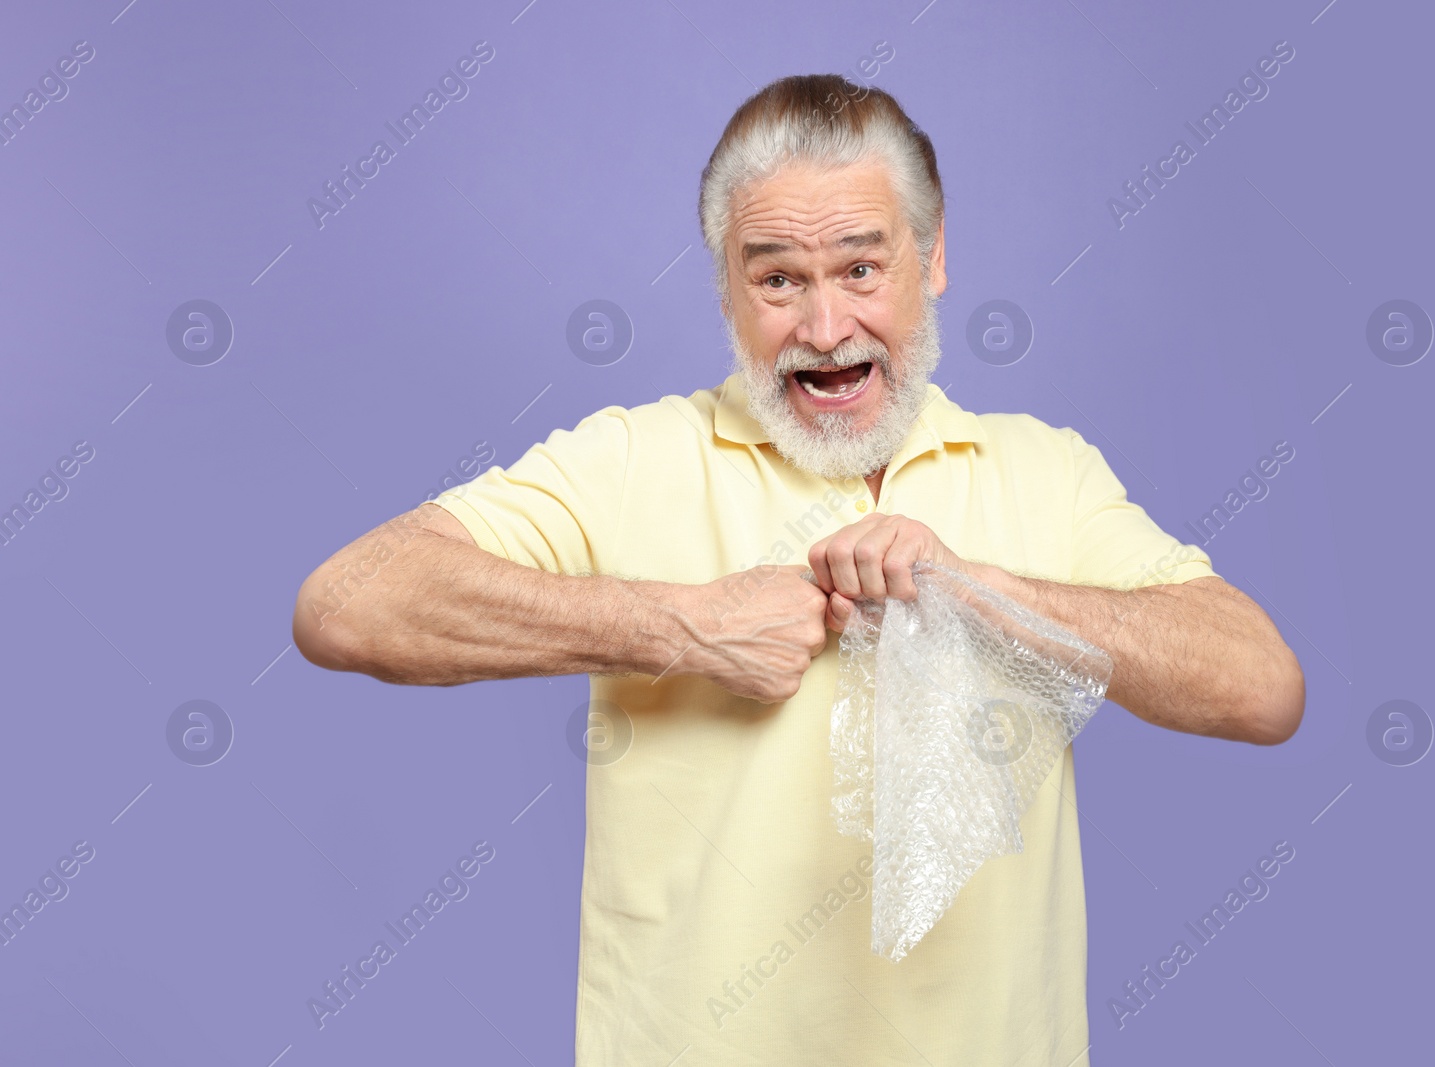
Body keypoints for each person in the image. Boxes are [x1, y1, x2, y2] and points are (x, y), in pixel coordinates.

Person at [292, 72, 1304, 1066]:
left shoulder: (1049, 471)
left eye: (861, 270)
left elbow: (1261, 686)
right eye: (777, 277)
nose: (823, 332)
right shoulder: (635, 458)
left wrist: (976, 590)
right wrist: (682, 628)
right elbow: (345, 603)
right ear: (726, 286)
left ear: (934, 256)